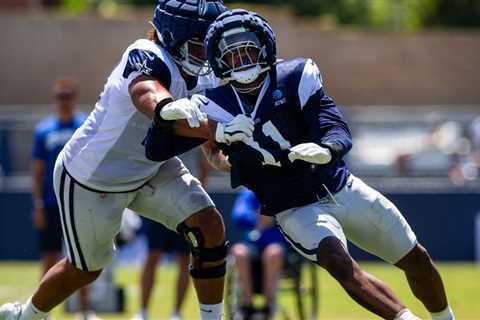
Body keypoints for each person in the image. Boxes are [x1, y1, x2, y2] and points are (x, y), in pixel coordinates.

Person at [143, 9, 455, 320]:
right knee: (340, 263)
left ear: (265, 47)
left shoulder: (296, 75)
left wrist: (327, 149)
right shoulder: (212, 103)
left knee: (417, 259)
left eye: (247, 49)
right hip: (293, 208)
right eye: (231, 54)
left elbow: (334, 126)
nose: (241, 59)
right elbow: (158, 149)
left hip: (339, 186)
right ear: (219, 60)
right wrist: (166, 115)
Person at [0, 1, 255, 319]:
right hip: (93, 177)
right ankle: (26, 316)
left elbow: (207, 138)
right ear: (173, 36)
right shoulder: (146, 53)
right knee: (86, 270)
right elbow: (148, 95)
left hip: (151, 165)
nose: (208, 52)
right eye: (201, 43)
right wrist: (173, 110)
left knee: (209, 226)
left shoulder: (201, 75)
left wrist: (222, 156)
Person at [31, 78, 99, 320]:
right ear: (54, 99)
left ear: (75, 98)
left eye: (68, 96)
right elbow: (37, 171)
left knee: (81, 259)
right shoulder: (43, 130)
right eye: (60, 96)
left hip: (77, 201)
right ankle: (41, 310)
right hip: (50, 202)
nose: (64, 101)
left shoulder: (83, 125)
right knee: (49, 256)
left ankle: (84, 309)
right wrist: (37, 204)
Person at [132, 148, 211, 320]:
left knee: (184, 260)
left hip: (187, 206)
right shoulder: (161, 126)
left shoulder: (197, 129)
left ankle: (176, 313)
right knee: (152, 256)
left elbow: (204, 166)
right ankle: (142, 312)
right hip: (158, 201)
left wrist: (198, 200)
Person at [230, 188, 285, 319]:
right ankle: (247, 305)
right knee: (238, 252)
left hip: (275, 243)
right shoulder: (249, 192)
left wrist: (274, 218)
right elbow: (238, 213)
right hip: (252, 243)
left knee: (273, 253)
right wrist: (256, 218)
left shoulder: (283, 190)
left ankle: (268, 306)